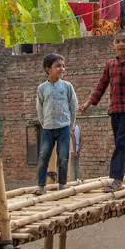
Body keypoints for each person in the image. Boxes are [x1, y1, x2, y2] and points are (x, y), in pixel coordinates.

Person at [80, 31, 125, 192]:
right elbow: (101, 86)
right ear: (113, 46)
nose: (121, 44)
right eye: (118, 41)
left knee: (122, 144)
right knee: (122, 143)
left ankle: (117, 180)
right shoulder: (110, 65)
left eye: (124, 41)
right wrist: (88, 103)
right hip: (114, 110)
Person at [34, 53, 78, 195]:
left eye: (63, 66)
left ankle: (62, 185)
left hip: (64, 127)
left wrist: (71, 125)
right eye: (58, 66)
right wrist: (44, 124)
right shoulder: (41, 88)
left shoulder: (67, 86)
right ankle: (41, 187)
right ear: (48, 69)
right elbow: (39, 108)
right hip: (47, 128)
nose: (62, 69)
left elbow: (73, 106)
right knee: (43, 156)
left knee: (63, 157)